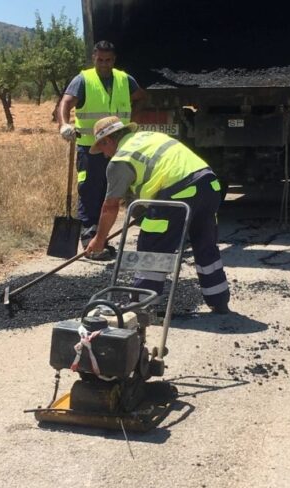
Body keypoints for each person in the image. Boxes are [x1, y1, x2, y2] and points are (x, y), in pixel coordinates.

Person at [84, 116, 231, 314]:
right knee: (205, 245)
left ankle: (141, 306)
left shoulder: (120, 160)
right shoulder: (150, 137)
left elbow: (110, 207)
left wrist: (99, 239)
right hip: (210, 186)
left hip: (180, 194)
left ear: (107, 140)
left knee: (152, 246)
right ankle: (219, 300)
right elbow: (158, 177)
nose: (104, 154)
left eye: (102, 148)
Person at [58, 41, 146, 260]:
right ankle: (90, 241)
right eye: (100, 60)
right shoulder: (83, 80)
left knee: (114, 192)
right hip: (90, 148)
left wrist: (132, 120)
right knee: (90, 191)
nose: (104, 64)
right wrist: (63, 124)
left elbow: (141, 98)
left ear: (114, 60)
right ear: (93, 58)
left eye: (108, 60)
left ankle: (103, 239)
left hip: (119, 147)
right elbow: (65, 103)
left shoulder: (125, 80)